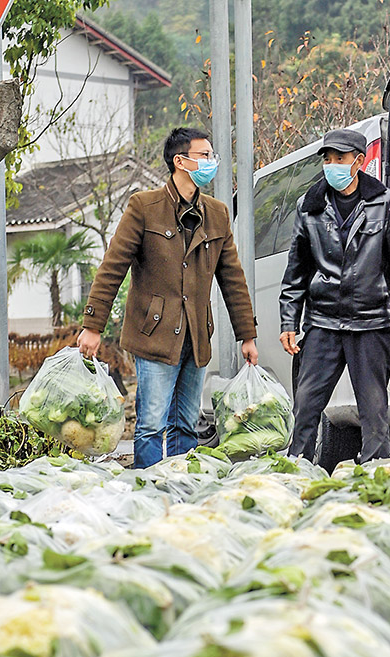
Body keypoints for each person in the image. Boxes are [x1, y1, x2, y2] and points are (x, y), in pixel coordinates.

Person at [77, 127, 257, 468]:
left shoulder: (216, 213)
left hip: (197, 334)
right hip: (155, 333)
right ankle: (147, 489)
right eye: (204, 156)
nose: (211, 162)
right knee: (150, 425)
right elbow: (113, 266)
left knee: (186, 425)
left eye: (211, 155)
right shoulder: (145, 207)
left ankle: (181, 488)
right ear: (180, 161)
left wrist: (246, 334)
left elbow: (232, 277)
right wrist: (93, 324)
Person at [279, 127, 390, 464]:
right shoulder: (309, 207)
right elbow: (296, 269)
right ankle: (297, 468)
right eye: (327, 159)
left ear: (358, 161)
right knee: (307, 407)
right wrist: (288, 320)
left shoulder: (385, 203)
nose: (331, 165)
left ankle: (374, 473)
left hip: (370, 323)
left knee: (373, 412)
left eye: (338, 158)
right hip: (323, 322)